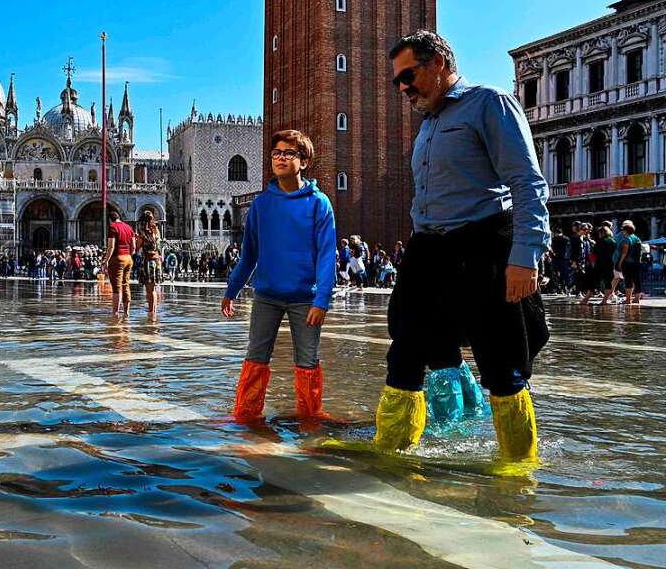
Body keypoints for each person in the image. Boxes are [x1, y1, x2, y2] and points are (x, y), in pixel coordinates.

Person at [377, 30, 550, 464]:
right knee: (405, 348)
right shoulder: (428, 124)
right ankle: (392, 448)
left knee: (501, 362)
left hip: (483, 243)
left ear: (437, 62)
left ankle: (517, 462)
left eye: (408, 76)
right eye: (396, 82)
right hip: (428, 251)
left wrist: (525, 258)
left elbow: (527, 183)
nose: (402, 88)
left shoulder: (489, 103)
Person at [222, 129, 338, 424]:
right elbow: (249, 254)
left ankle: (310, 416)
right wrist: (232, 289)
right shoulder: (262, 204)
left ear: (304, 161)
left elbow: (327, 255)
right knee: (255, 356)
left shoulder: (319, 203)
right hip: (266, 297)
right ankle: (246, 415)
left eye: (289, 153)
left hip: (306, 298)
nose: (281, 158)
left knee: (308, 359)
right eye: (276, 153)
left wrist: (322, 299)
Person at [102, 208, 135, 318]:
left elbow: (111, 246)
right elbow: (133, 247)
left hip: (118, 258)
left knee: (116, 287)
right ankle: (126, 312)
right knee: (125, 285)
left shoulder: (112, 227)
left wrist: (106, 261)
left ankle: (115, 313)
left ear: (110, 220)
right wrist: (128, 254)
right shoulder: (129, 228)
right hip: (128, 259)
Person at [135, 209, 164, 320]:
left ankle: (151, 312)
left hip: (148, 261)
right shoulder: (157, 231)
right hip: (157, 262)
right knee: (153, 289)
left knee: (149, 289)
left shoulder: (143, 233)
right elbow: (158, 246)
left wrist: (135, 239)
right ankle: (153, 310)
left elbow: (137, 247)